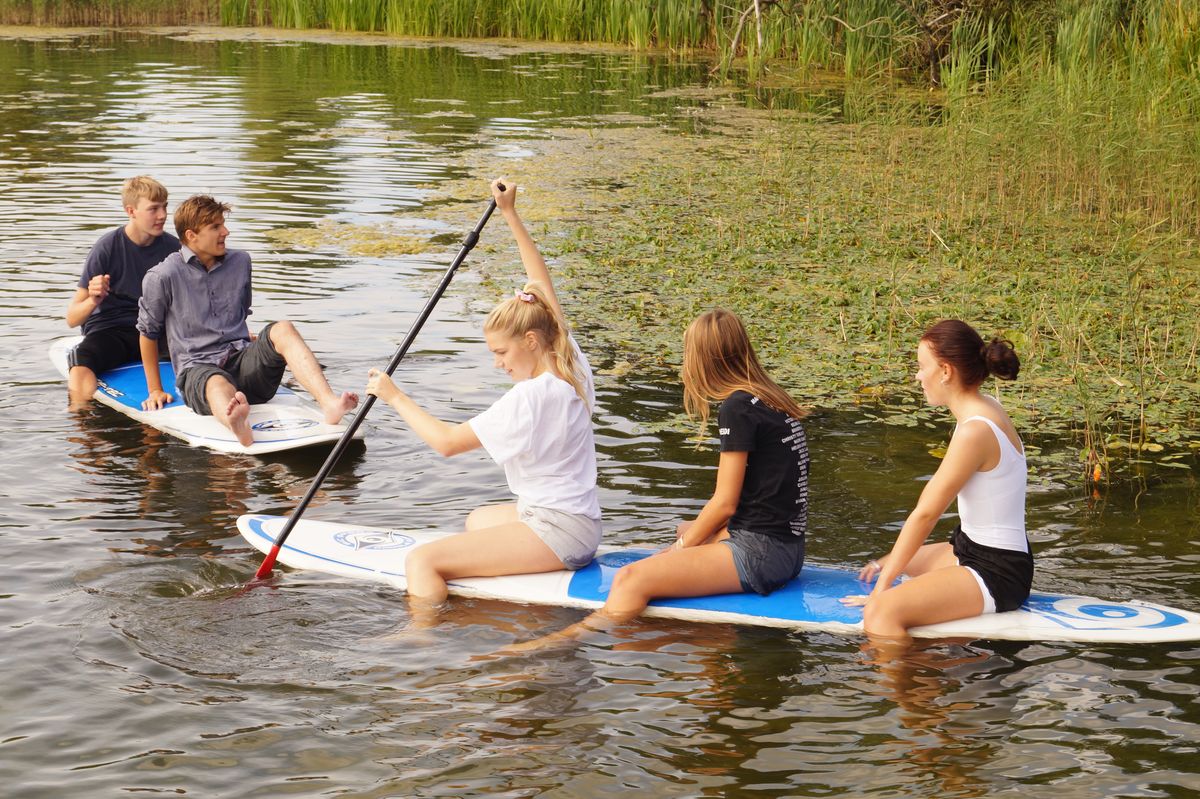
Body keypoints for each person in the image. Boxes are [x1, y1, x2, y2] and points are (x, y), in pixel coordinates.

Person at [509, 308, 810, 650]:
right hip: (787, 547)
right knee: (687, 529)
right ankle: (711, 639)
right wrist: (693, 537)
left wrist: (676, 552)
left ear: (702, 359)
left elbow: (725, 503)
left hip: (761, 553)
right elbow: (765, 499)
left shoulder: (737, 408)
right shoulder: (772, 398)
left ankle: (569, 639)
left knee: (632, 578)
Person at [364, 179, 602, 610]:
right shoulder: (572, 363)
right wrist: (509, 212)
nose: (498, 363)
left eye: (501, 353)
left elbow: (448, 444)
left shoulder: (529, 398)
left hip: (560, 533)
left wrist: (393, 396)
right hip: (580, 522)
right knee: (478, 520)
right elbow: (539, 281)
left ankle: (423, 647)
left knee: (422, 561)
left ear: (531, 340)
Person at [841, 319, 1031, 642]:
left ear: (945, 372)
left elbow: (925, 514)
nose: (917, 375)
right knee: (893, 563)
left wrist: (881, 593)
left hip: (996, 572)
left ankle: (911, 682)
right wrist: (890, 569)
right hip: (977, 549)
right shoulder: (984, 407)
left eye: (921, 367)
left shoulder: (975, 431)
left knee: (881, 612)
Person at [136, 195, 358, 447]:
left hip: (244, 363)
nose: (225, 231)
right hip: (198, 368)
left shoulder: (241, 262)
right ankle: (236, 422)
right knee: (216, 381)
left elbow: (239, 315)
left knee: (282, 328)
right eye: (216, 227)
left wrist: (260, 342)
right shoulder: (162, 276)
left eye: (223, 224)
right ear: (191, 235)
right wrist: (155, 389)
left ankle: (328, 403)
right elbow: (148, 333)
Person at [65, 176, 180, 407]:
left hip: (156, 333)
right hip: (113, 331)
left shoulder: (174, 249)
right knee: (81, 362)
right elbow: (72, 318)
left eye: (165, 206)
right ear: (131, 211)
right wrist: (93, 300)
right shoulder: (106, 248)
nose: (162, 215)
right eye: (153, 209)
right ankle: (82, 422)